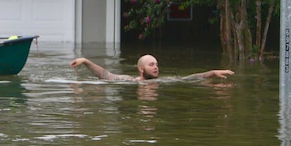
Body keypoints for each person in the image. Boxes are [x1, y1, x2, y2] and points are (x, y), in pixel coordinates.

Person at [70, 54, 234, 81]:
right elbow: (105, 75)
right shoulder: (130, 81)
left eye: (156, 64)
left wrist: (212, 72)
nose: (156, 67)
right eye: (151, 65)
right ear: (141, 69)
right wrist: (85, 61)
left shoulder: (162, 82)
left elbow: (189, 78)